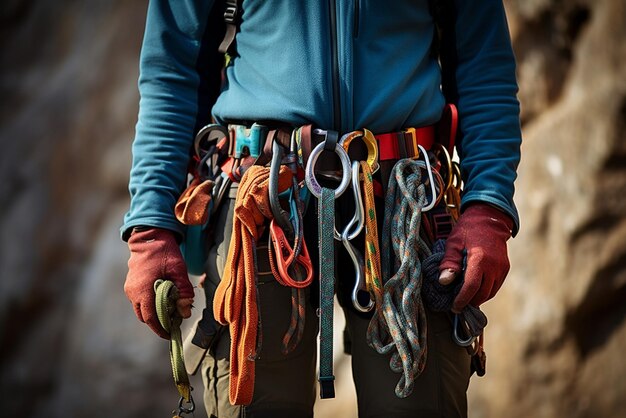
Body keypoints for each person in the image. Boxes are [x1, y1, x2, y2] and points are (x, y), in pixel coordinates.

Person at [122, 1, 521, 417]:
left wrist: (487, 210)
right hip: (263, 202)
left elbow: (484, 68)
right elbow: (172, 70)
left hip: (403, 200)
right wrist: (151, 229)